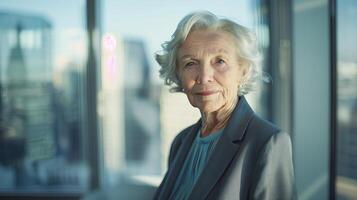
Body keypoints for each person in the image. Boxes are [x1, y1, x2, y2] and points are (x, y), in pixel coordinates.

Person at [153, 11, 295, 200]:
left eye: (219, 61)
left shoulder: (268, 143)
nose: (204, 77)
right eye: (190, 63)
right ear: (178, 74)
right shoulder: (181, 142)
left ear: (243, 71)